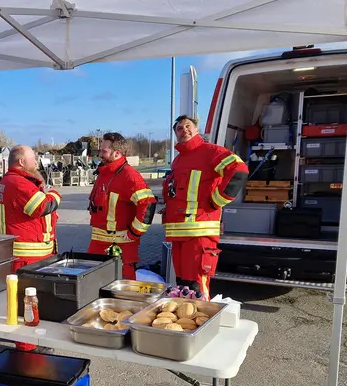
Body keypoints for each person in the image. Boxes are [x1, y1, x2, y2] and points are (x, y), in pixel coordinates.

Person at [162, 115, 248, 299]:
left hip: (199, 234)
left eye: (187, 126)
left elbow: (239, 169)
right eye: (179, 128)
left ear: (197, 130)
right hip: (179, 234)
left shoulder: (211, 151)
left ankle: (201, 324)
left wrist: (217, 200)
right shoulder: (178, 161)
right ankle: (186, 324)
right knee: (183, 287)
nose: (183, 130)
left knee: (197, 286)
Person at [87, 132, 156, 280]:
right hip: (99, 246)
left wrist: (134, 232)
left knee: (123, 294)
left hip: (120, 250)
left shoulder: (129, 176)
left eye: (104, 151)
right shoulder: (104, 173)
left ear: (117, 153)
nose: (100, 154)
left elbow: (148, 204)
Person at [0, 145, 62, 272]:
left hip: (29, 257)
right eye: (33, 158)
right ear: (21, 162)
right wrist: (55, 195)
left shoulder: (12, 180)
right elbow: (42, 206)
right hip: (29, 259)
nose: (36, 161)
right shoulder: (18, 183)